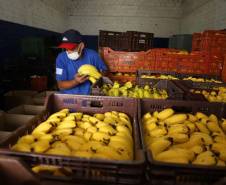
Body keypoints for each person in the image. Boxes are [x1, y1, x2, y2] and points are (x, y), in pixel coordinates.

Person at [56, 29, 108, 95]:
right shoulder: (61, 58)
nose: (68, 52)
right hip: (68, 99)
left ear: (81, 45)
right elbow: (60, 85)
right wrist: (76, 81)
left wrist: (101, 76)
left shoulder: (93, 55)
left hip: (88, 98)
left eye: (72, 49)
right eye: (66, 49)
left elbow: (104, 70)